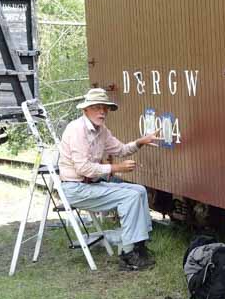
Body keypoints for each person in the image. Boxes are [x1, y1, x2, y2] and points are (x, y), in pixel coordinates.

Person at [58, 88, 159, 271]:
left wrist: (140, 142)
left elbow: (120, 150)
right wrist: (116, 168)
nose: (102, 112)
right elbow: (84, 169)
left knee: (140, 190)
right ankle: (128, 254)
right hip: (75, 189)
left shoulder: (101, 130)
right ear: (85, 110)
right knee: (130, 197)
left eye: (104, 108)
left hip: (91, 186)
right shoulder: (77, 130)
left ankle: (139, 245)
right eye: (97, 107)